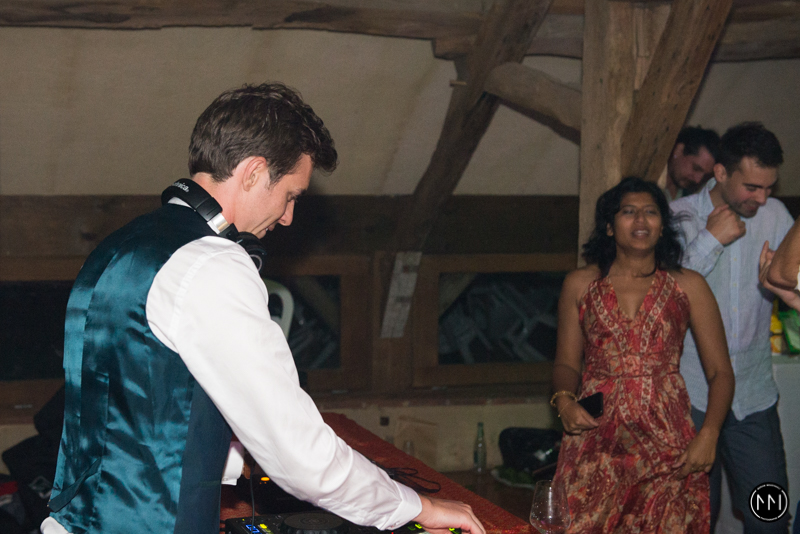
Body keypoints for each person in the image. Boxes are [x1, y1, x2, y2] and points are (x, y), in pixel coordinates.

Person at [42, 83, 485, 534]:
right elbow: (300, 455)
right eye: (291, 195)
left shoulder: (120, 246)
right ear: (254, 172)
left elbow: (136, 412)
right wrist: (417, 508)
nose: (288, 217)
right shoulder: (213, 264)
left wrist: (238, 449)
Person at [551, 177, 734, 533]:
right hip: (597, 440)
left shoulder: (689, 285)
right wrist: (563, 401)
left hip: (668, 444)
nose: (640, 220)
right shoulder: (580, 284)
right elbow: (566, 363)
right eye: (628, 212)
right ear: (609, 226)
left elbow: (721, 373)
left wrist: (710, 433)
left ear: (662, 226)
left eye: (650, 212)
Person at [670, 121, 792, 533]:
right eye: (752, 187)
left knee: (770, 519)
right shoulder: (678, 216)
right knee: (693, 520)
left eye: (769, 187)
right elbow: (664, 301)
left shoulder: (776, 215)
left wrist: (787, 282)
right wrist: (710, 240)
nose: (762, 198)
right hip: (690, 399)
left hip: (753, 397)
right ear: (721, 172)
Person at [660, 126, 720, 202]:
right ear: (679, 151)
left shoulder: (688, 198)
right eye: (696, 168)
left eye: (705, 176)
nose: (697, 180)